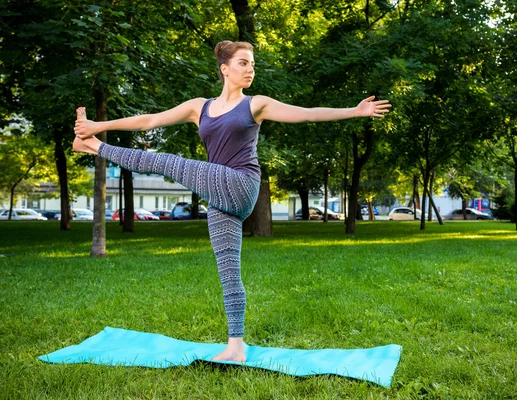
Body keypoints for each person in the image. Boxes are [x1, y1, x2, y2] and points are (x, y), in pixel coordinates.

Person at [73, 40, 391, 362]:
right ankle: (235, 346)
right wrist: (99, 124)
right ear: (225, 69)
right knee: (228, 270)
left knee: (166, 162)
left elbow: (306, 114)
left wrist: (356, 110)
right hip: (217, 193)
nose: (250, 69)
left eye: (252, 64)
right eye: (243, 63)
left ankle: (93, 147)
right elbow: (150, 120)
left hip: (241, 184)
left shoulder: (256, 104)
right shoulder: (200, 107)